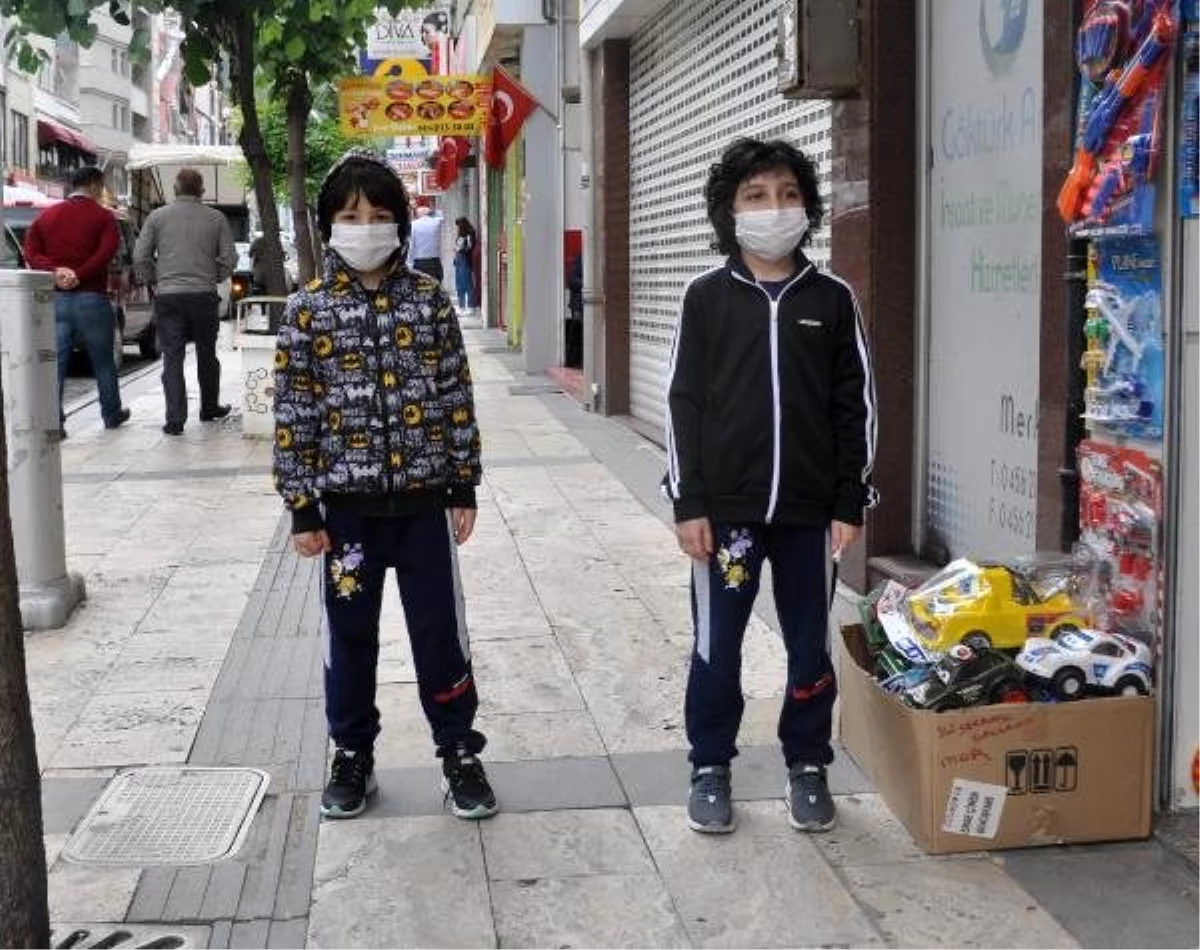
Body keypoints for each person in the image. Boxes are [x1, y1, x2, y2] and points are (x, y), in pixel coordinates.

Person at [272, 148, 495, 822]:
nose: (365, 226)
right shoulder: (308, 309)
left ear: (399, 222)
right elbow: (295, 410)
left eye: (378, 214)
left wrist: (462, 483)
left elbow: (455, 392)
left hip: (425, 508)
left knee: (438, 634)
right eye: (350, 215)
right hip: (347, 518)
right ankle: (352, 753)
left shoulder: (428, 301)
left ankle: (458, 749)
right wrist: (303, 506)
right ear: (329, 226)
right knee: (350, 635)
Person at [664, 138, 877, 835]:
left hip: (809, 517)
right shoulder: (706, 298)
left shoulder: (832, 299)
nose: (773, 209)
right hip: (726, 517)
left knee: (809, 644)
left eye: (787, 194)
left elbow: (857, 406)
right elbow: (682, 403)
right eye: (756, 197)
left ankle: (808, 764)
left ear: (808, 206)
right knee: (717, 645)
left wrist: (850, 500)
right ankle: (710, 765)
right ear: (731, 210)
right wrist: (688, 502)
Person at [23, 165, 130, 434]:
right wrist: (79, 275)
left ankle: (55, 422)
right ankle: (111, 413)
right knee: (103, 360)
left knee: (55, 363)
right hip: (92, 298)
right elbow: (106, 253)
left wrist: (55, 271)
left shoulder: (47, 216)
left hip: (56, 299)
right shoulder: (105, 218)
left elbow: (31, 251)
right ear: (95, 185)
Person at [133, 168, 236, 436]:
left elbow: (140, 256)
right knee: (207, 353)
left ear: (175, 190)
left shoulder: (157, 217)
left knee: (173, 356)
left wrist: (157, 279)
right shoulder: (216, 218)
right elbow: (229, 259)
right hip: (203, 295)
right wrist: (211, 277)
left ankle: (175, 419)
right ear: (201, 191)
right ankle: (209, 407)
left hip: (169, 296)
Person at [407, 202, 444, 281]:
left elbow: (411, 245)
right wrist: (430, 211)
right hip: (435, 262)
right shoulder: (436, 222)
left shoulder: (413, 225)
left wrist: (409, 264)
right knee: (436, 288)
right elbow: (440, 214)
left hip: (419, 262)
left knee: (420, 288)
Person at [453, 217, 476, 312]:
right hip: (458, 259)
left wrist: (460, 250)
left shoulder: (469, 233)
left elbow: (470, 247)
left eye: (458, 226)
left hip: (464, 259)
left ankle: (470, 306)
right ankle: (461, 306)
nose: (457, 228)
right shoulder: (460, 235)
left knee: (467, 283)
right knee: (459, 283)